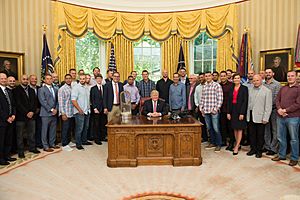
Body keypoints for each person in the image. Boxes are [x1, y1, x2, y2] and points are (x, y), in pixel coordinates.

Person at [272, 71, 300, 166]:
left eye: (292, 76)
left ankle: (294, 158)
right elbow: (277, 100)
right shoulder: (283, 88)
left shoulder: (299, 88)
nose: (290, 78)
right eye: (288, 76)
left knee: (294, 139)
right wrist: (279, 109)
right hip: (280, 117)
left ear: (296, 77)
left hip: (293, 117)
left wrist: (285, 110)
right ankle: (282, 154)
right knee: (280, 137)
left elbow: (298, 104)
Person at [14, 75, 40, 158]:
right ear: (21, 80)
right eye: (23, 79)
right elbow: (18, 104)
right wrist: (26, 112)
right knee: (20, 135)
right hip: (21, 117)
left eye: (26, 79)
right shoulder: (16, 90)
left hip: (31, 116)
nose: (25, 81)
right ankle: (20, 151)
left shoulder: (32, 90)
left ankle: (32, 148)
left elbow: (34, 102)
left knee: (31, 133)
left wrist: (32, 111)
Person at [246, 75, 272, 158]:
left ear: (261, 80)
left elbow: (268, 106)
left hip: (261, 116)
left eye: (257, 80)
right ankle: (253, 149)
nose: (255, 82)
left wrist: (266, 118)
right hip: (250, 115)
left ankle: (259, 150)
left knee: (260, 135)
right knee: (251, 134)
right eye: (254, 80)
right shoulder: (249, 89)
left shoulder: (267, 91)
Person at [200, 72, 223, 152]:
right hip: (205, 110)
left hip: (214, 111)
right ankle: (212, 142)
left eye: (209, 76)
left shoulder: (217, 85)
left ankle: (219, 144)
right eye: (206, 76)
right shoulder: (204, 86)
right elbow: (202, 98)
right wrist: (201, 108)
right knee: (209, 128)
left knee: (216, 128)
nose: (207, 77)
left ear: (212, 77)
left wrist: (216, 109)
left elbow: (220, 98)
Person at [227, 73, 248, 155]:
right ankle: (237, 143)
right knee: (235, 128)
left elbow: (245, 101)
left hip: (240, 111)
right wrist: (228, 112)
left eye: (238, 78)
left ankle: (237, 146)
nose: (236, 79)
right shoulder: (231, 88)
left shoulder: (244, 88)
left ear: (240, 79)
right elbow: (229, 101)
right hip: (233, 110)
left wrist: (242, 113)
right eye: (235, 78)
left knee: (239, 128)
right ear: (233, 79)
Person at [38, 74, 59, 152]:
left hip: (54, 113)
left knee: (53, 129)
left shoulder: (55, 89)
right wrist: (51, 110)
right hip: (45, 113)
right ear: (44, 80)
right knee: (44, 130)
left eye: (50, 79)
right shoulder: (41, 89)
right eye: (47, 79)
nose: (49, 80)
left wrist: (56, 109)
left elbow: (57, 101)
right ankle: (45, 146)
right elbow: (42, 101)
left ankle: (52, 143)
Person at [263, 68, 281, 155]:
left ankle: (273, 148)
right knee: (266, 129)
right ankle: (267, 146)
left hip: (273, 110)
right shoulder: (263, 84)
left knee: (275, 130)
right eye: (266, 73)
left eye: (269, 72)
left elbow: (276, 98)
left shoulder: (277, 84)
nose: (268, 74)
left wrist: (268, 105)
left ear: (273, 74)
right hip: (265, 111)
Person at [71, 74, 92, 150]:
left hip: (87, 111)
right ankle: (78, 143)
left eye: (84, 78)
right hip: (79, 112)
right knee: (79, 128)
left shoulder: (87, 87)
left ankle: (84, 140)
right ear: (79, 79)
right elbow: (73, 100)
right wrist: (79, 109)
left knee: (86, 127)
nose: (82, 80)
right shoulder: (76, 88)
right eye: (81, 79)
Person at [0, 73, 16, 165]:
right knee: (1, 140)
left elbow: (13, 105)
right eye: (2, 78)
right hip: (2, 121)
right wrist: (6, 118)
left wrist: (13, 115)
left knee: (8, 139)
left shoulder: (8, 91)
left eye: (5, 78)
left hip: (11, 119)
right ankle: (1, 158)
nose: (4, 80)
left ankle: (7, 155)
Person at [58, 74, 74, 150]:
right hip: (65, 112)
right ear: (64, 79)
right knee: (65, 128)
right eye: (66, 78)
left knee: (69, 128)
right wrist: (63, 113)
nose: (68, 80)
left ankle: (68, 141)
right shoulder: (62, 89)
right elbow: (60, 102)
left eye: (69, 78)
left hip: (71, 112)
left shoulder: (72, 87)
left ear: (71, 79)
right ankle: (64, 144)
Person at [90, 74, 107, 145]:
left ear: (102, 79)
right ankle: (96, 139)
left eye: (100, 78)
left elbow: (105, 98)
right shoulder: (93, 88)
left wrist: (106, 108)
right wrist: (94, 108)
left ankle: (102, 137)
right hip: (96, 109)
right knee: (96, 124)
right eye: (98, 78)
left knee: (103, 123)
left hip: (103, 109)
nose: (99, 80)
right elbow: (92, 99)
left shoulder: (104, 87)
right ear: (96, 80)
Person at [219, 71, 234, 149]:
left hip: (229, 109)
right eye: (221, 76)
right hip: (221, 109)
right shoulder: (218, 85)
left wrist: (230, 110)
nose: (222, 77)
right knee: (222, 126)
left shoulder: (231, 85)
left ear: (227, 76)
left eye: (224, 76)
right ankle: (224, 141)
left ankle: (232, 143)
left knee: (230, 127)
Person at [29, 74, 42, 148]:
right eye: (32, 79)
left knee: (39, 128)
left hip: (39, 111)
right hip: (31, 112)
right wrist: (33, 110)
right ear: (29, 80)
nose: (34, 80)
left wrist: (38, 108)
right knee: (32, 130)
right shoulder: (27, 89)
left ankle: (39, 143)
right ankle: (32, 145)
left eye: (35, 79)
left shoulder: (39, 88)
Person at [194, 72, 208, 142]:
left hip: (208, 107)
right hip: (200, 107)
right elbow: (195, 97)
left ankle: (211, 138)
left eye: (202, 77)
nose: (201, 79)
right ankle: (204, 137)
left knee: (209, 124)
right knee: (202, 123)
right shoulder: (197, 87)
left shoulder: (208, 86)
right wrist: (197, 105)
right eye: (200, 78)